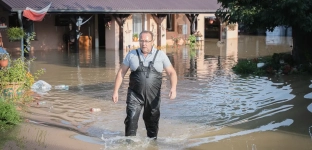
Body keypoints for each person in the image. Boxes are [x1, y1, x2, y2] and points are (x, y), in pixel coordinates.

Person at [112, 30, 177, 139]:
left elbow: (172, 73)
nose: (144, 43)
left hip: (153, 97)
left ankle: (152, 145)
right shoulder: (132, 54)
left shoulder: (160, 55)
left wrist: (173, 88)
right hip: (135, 95)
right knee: (130, 120)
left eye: (147, 41)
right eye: (141, 41)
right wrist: (115, 91)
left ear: (152, 41)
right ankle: (129, 145)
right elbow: (121, 73)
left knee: (152, 125)